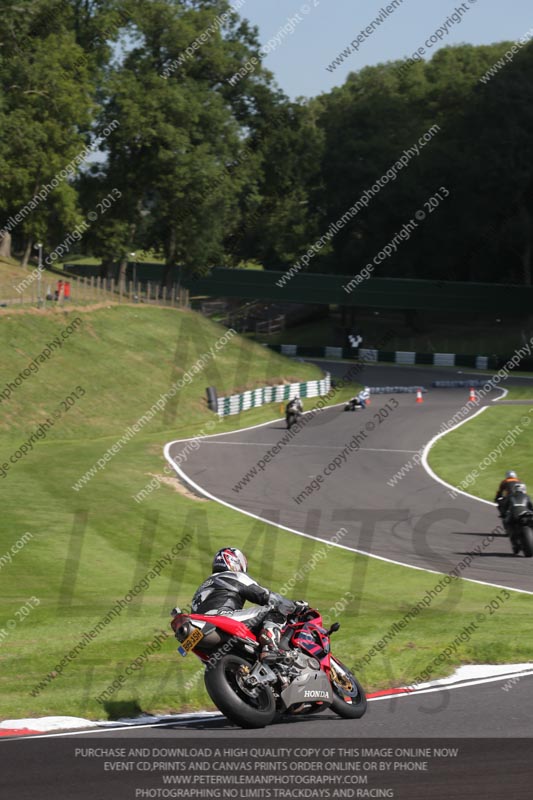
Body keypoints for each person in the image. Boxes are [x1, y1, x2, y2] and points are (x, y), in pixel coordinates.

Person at [191, 547, 303, 663]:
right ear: (235, 561)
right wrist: (291, 606)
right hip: (220, 617)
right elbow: (264, 595)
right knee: (274, 609)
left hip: (200, 628)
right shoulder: (233, 576)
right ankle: (270, 648)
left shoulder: (203, 585)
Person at [504, 483, 533, 550]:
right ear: (524, 489)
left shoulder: (510, 496)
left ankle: (514, 543)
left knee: (507, 524)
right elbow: (531, 507)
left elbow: (505, 507)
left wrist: (503, 513)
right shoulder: (526, 496)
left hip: (513, 515)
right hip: (525, 514)